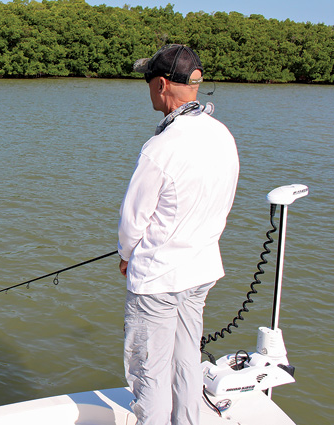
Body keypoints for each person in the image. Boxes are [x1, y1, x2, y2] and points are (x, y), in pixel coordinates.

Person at [117, 44, 240, 425]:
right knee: (187, 360)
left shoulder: (161, 147)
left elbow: (132, 220)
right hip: (201, 272)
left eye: (149, 82)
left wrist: (125, 255)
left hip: (157, 280)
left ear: (162, 84)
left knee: (149, 372)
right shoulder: (223, 135)